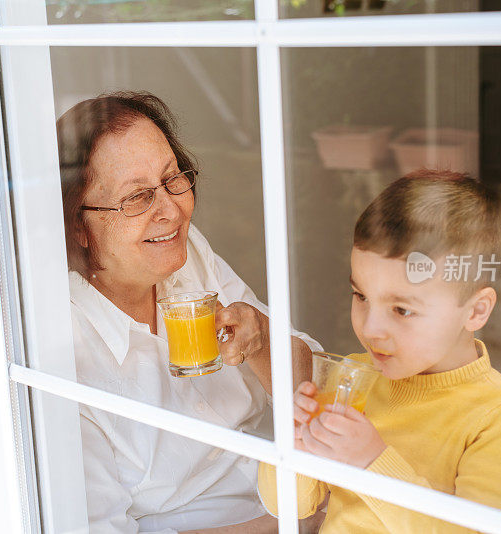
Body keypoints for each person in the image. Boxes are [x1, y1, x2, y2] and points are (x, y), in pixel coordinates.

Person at [57, 91, 322, 533]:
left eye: (172, 179)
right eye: (138, 197)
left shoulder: (188, 256)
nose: (172, 210)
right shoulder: (68, 352)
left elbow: (315, 390)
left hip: (299, 490)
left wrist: (261, 342)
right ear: (79, 226)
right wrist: (287, 526)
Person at [257, 169, 501, 532]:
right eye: (361, 296)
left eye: (402, 309)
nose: (371, 329)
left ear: (475, 311)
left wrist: (372, 464)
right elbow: (289, 506)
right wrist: (293, 441)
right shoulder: (352, 379)